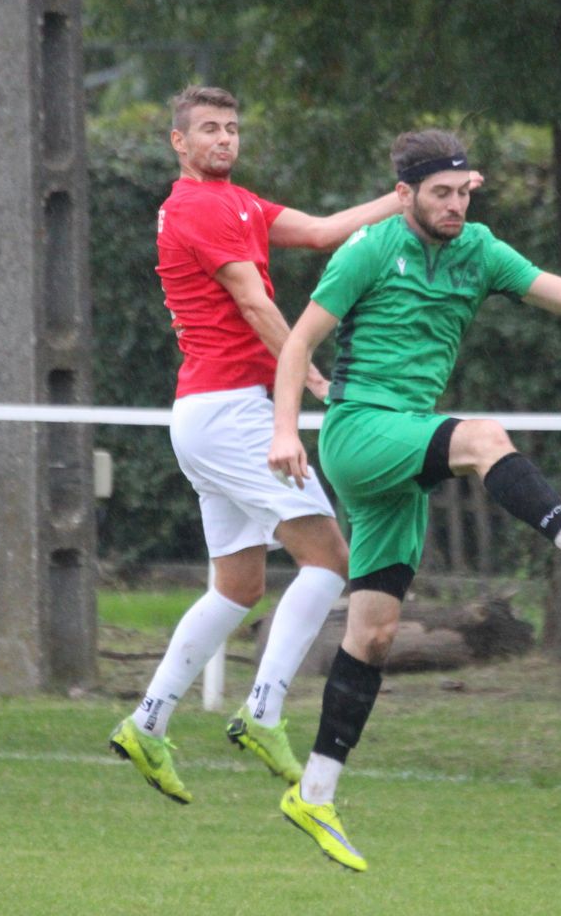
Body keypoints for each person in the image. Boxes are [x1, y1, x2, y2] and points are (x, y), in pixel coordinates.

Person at [266, 128, 561, 871]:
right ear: (405, 194)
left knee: (373, 635)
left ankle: (314, 792)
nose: (457, 205)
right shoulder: (368, 249)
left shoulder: (481, 249)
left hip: (399, 455)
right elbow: (298, 344)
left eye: (465, 192)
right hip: (361, 431)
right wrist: (284, 433)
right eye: (442, 193)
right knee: (483, 436)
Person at [108, 85, 419, 804]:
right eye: (209, 129)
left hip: (207, 411)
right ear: (178, 144)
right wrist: (307, 375)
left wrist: (398, 202)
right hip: (231, 412)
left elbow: (317, 231)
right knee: (331, 558)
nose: (224, 138)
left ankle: (147, 724)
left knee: (239, 586)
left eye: (232, 128)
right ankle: (264, 711)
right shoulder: (197, 207)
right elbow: (253, 301)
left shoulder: (237, 201)